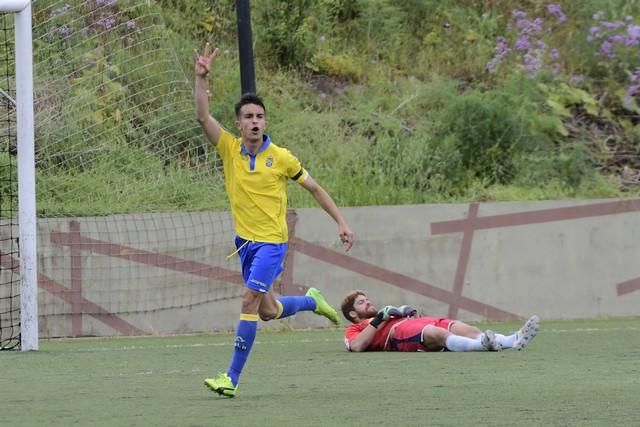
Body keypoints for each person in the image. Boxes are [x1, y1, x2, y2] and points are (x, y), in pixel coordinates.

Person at [194, 43, 355, 398]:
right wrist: (200, 79)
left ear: (266, 122)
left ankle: (231, 378)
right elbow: (203, 118)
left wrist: (341, 222)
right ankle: (312, 300)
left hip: (272, 243)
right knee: (267, 311)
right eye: (248, 117)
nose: (254, 122)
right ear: (238, 123)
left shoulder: (281, 158)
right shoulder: (229, 149)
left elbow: (314, 188)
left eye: (259, 116)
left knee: (248, 301)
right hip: (245, 245)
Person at [340, 290, 539, 352]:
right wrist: (378, 320)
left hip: (420, 321)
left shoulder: (385, 314)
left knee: (464, 328)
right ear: (352, 314)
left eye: (367, 299)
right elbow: (357, 346)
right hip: (400, 334)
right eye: (361, 303)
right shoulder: (355, 328)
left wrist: (404, 311)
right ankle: (482, 346)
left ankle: (513, 340)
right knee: (438, 335)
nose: (368, 302)